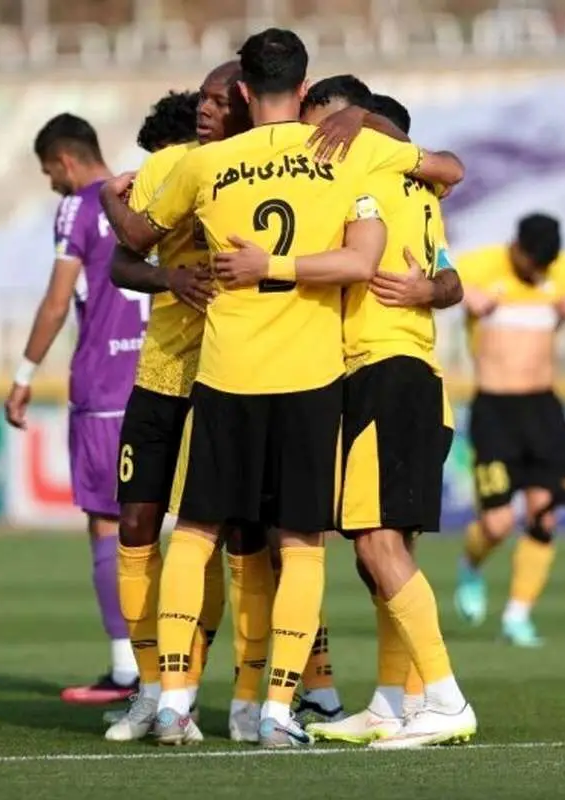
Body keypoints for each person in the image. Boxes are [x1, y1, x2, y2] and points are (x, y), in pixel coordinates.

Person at [100, 27, 464, 748]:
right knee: (301, 544)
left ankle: (170, 701)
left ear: (242, 91)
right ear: (303, 89)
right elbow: (369, 253)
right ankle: (275, 710)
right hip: (312, 374)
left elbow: (135, 237)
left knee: (195, 532)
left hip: (225, 369)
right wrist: (285, 265)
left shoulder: (204, 161)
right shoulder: (342, 156)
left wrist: (110, 197)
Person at [278, 87, 477, 748]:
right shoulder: (417, 188)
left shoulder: (360, 155)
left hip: (383, 371)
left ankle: (445, 697)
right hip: (412, 376)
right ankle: (393, 702)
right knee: (385, 555)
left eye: (318, 120)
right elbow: (450, 274)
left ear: (343, 120)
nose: (310, 135)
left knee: (376, 545)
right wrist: (430, 287)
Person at [102, 64, 248, 744]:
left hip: (228, 379)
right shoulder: (167, 167)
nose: (205, 111)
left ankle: (202, 693)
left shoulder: (262, 172)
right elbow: (122, 262)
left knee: (216, 539)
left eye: (218, 101)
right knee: (136, 525)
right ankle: (150, 690)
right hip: (159, 374)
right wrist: (169, 277)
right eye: (203, 101)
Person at [4, 113, 146, 705]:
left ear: (65, 161)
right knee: (180, 527)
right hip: (161, 378)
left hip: (104, 387)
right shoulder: (146, 191)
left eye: (49, 172)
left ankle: (128, 668)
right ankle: (183, 668)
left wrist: (23, 375)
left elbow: (57, 301)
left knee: (108, 523)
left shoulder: (78, 208)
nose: (52, 184)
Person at [453, 213, 565, 646]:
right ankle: (470, 565)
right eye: (535, 262)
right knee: (497, 524)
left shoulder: (563, 271)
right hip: (494, 408)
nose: (540, 271)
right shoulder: (481, 266)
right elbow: (430, 276)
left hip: (543, 407)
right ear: (517, 248)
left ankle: (517, 615)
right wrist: (462, 293)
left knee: (544, 514)